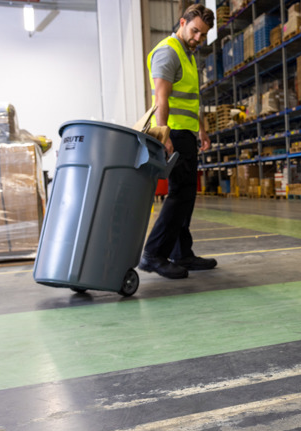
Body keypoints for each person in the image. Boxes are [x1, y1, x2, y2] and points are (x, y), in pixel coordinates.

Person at [138, 4, 217, 279]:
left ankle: (182, 253)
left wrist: (202, 129)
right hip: (175, 135)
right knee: (178, 196)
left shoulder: (189, 54)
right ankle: (153, 254)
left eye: (203, 35)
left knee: (186, 196)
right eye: (195, 31)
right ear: (182, 22)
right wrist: (164, 134)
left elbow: (190, 99)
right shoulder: (168, 51)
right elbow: (162, 97)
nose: (198, 38)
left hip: (188, 134)